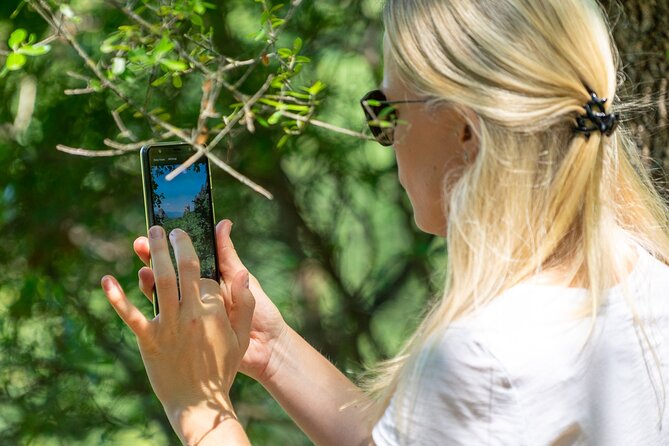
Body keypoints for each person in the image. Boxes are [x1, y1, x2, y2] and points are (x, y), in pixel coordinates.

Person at [101, 0, 669, 444]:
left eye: (388, 112)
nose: (388, 140)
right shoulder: (644, 274)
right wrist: (270, 349)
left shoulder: (483, 356)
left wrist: (199, 410)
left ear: (464, 130)